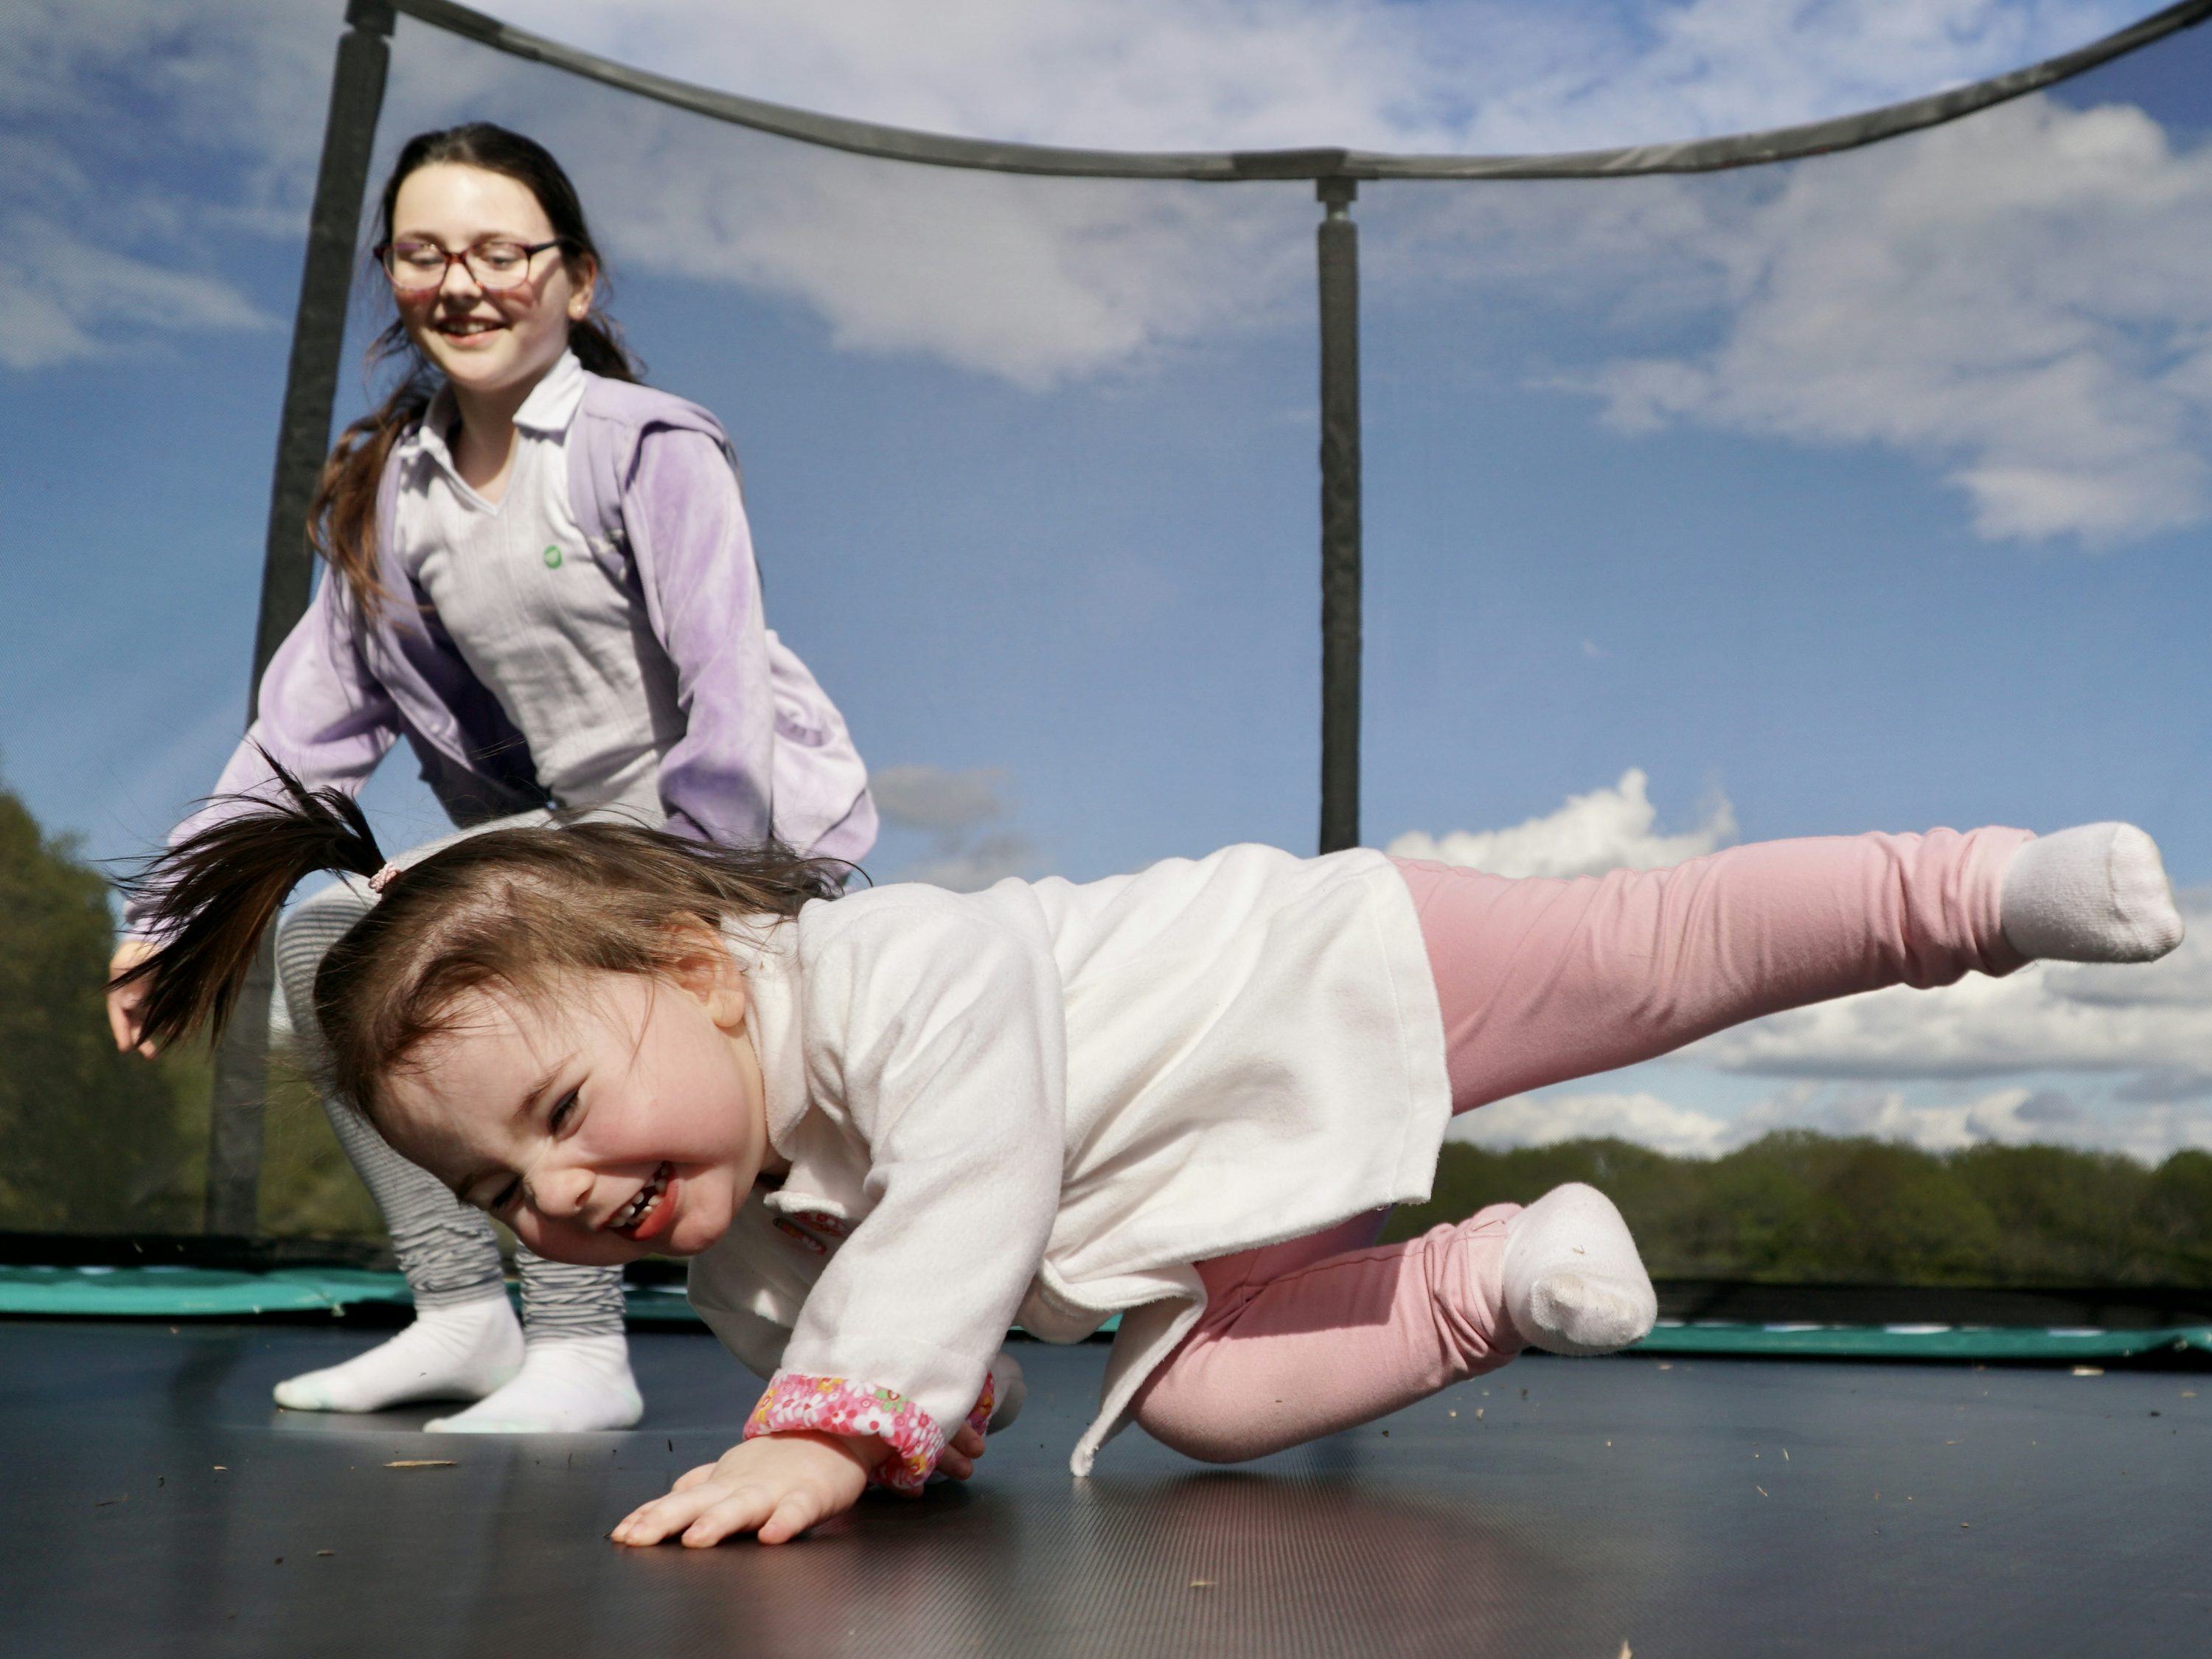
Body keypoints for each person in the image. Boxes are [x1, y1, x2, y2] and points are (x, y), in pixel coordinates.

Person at [117, 770, 2183, 1542]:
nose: (561, 1202)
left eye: (562, 1118)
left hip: (1319, 980)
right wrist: (904, 1415)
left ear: (701, 966)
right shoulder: (733, 1238)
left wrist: (847, 1420)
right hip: (1204, 1231)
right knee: (1200, 1410)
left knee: (1663, 950)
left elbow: (973, 1178)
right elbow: (864, 1337)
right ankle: (1508, 1276)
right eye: (496, 1193)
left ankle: (1974, 887)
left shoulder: (903, 971)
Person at [104, 123, 874, 1434]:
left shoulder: (643, 444)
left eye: (500, 251)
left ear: (573, 278)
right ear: (397, 281)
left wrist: (675, 885)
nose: (462, 282)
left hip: (716, 834)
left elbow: (725, 692)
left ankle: (583, 1351)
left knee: (494, 955)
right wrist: (166, 922)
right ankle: (463, 1310)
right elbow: (298, 737)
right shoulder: (389, 498)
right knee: (326, 939)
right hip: (561, 837)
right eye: (423, 254)